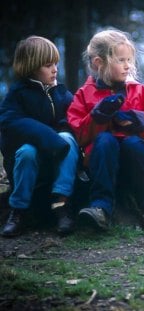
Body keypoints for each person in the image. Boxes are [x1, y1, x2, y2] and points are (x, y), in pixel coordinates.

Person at [67, 29, 144, 231]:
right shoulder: (85, 94)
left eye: (129, 60)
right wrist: (97, 117)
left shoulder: (138, 90)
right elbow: (78, 133)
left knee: (132, 143)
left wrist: (140, 121)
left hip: (136, 162)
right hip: (101, 161)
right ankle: (101, 208)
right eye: (121, 60)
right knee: (105, 140)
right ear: (99, 63)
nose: (128, 65)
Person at [0, 36, 79, 237]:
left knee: (68, 139)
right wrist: (50, 138)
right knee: (27, 151)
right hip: (28, 157)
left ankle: (61, 204)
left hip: (58, 160)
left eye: (56, 64)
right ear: (31, 67)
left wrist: (60, 136)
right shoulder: (18, 94)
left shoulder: (61, 92)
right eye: (48, 65)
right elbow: (10, 121)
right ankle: (18, 211)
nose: (55, 70)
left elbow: (74, 118)